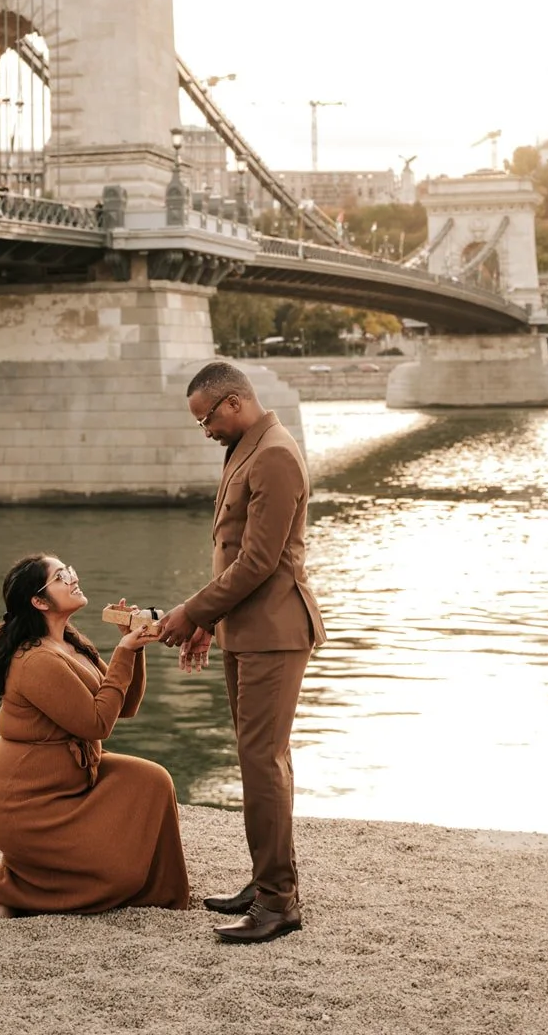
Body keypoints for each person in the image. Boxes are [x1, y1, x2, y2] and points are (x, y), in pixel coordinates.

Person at [158, 362, 326, 945]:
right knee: (257, 761)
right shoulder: (245, 449)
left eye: (206, 417)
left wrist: (192, 612)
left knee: (263, 764)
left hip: (276, 633)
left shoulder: (275, 454)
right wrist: (211, 625)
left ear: (233, 402)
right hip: (246, 630)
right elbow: (231, 555)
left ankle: (280, 903)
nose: (205, 429)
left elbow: (257, 562)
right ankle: (265, 882)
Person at [0, 554, 190, 917]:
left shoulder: (70, 642)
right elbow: (95, 725)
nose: (72, 578)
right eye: (60, 577)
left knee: (153, 781)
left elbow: (124, 706)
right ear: (40, 602)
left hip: (70, 781)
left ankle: (161, 896)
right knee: (116, 874)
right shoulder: (35, 660)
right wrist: (123, 652)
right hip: (24, 801)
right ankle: (8, 891)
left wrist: (132, 650)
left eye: (69, 570)